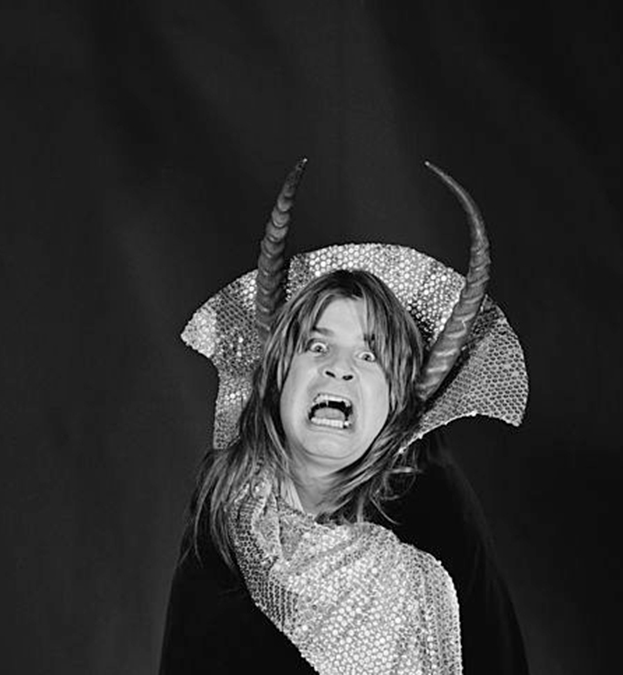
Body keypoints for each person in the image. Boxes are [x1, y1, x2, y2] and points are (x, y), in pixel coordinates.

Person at [161, 160, 530, 674]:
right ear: (278, 378)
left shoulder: (436, 510)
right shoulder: (223, 512)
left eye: (369, 355)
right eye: (317, 346)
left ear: (398, 404)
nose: (339, 368)